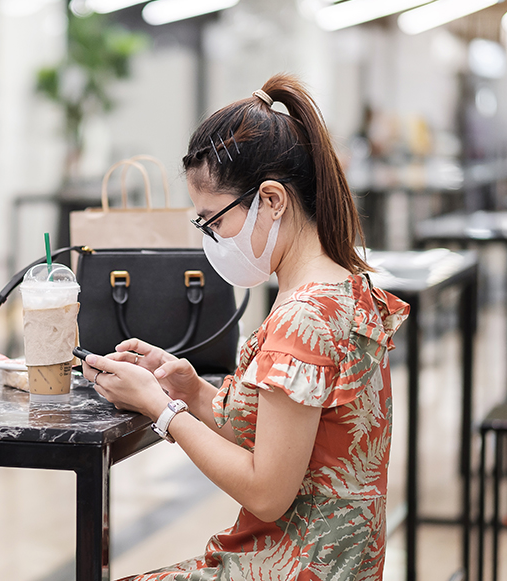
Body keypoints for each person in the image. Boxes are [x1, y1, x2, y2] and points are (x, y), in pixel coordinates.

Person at [82, 74, 410, 580]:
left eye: (213, 220)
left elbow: (267, 492)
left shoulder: (302, 319)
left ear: (272, 200)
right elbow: (293, 437)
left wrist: (159, 407)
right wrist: (192, 391)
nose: (211, 239)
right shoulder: (345, 288)